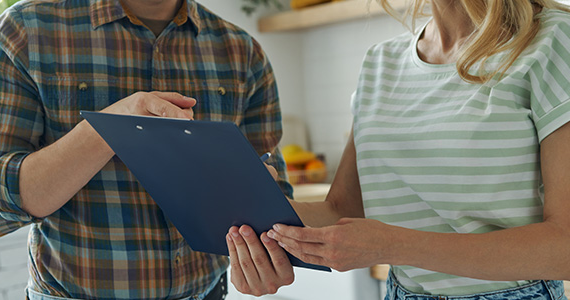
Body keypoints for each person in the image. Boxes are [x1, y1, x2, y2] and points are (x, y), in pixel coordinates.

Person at [227, 0, 570, 299]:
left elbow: (564, 246)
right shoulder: (381, 63)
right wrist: (256, 211)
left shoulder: (553, 39)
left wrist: (393, 245)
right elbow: (340, 210)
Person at [0, 0, 292, 299]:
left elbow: (278, 206)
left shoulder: (244, 52)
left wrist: (268, 249)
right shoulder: (24, 30)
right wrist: (108, 129)